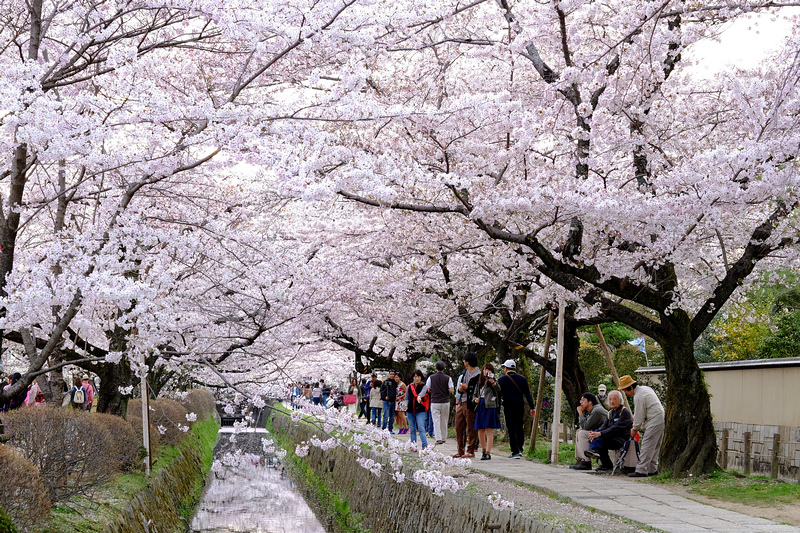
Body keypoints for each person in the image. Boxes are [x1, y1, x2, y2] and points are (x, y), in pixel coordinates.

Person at [619, 375, 665, 477]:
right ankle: (652, 469)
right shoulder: (645, 389)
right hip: (660, 418)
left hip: (653, 420)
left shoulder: (638, 396)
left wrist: (635, 428)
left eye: (625, 390)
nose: (626, 393)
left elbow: (639, 415)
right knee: (655, 446)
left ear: (630, 387)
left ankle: (641, 470)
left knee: (647, 445)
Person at [585, 390, 633, 471]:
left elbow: (615, 428)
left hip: (621, 439)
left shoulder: (624, 412)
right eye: (610, 399)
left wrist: (600, 433)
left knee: (601, 438)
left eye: (614, 399)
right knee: (598, 434)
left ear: (620, 401)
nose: (612, 401)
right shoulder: (610, 413)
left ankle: (593, 449)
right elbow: (604, 426)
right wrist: (595, 433)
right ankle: (605, 463)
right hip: (611, 437)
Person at [497, 359, 536, 459]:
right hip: (519, 405)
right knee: (519, 427)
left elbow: (498, 395)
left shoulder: (501, 380)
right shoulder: (522, 379)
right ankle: (520, 448)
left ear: (506, 368)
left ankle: (515, 451)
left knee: (511, 428)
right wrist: (532, 407)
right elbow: (528, 394)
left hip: (508, 405)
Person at [452, 353, 481, 458]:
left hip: (471, 404)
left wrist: (467, 388)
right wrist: (460, 390)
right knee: (459, 427)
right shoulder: (464, 373)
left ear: (467, 362)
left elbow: (479, 390)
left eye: (464, 361)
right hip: (462, 402)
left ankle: (471, 450)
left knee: (471, 428)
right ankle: (460, 450)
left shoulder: (479, 375)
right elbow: (459, 389)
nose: (464, 363)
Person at [570, 392, 608, 470]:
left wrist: (580, 413)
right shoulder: (591, 411)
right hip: (599, 432)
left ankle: (586, 462)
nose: (580, 402)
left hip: (606, 434)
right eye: (580, 400)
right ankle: (581, 458)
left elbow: (586, 426)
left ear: (590, 402)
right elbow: (584, 426)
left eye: (583, 400)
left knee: (582, 433)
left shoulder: (597, 410)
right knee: (579, 431)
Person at [473, 364, 502, 460]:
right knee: (480, 429)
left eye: (490, 370)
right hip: (480, 405)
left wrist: (492, 382)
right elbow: (474, 395)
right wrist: (475, 400)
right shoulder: (479, 382)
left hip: (490, 406)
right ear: (483, 370)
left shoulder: (493, 381)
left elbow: (499, 390)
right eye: (486, 369)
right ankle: (483, 450)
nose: (487, 371)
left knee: (488, 429)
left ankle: (488, 452)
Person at [421, 361, 453, 445]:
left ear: (436, 368)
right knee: (444, 420)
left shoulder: (431, 378)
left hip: (435, 401)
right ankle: (444, 437)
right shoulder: (448, 378)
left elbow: (428, 389)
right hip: (445, 401)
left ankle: (438, 438)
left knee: (436, 420)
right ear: (444, 368)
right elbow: (451, 390)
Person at [405, 370, 429, 451]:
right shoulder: (409, 387)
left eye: (418, 376)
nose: (417, 378)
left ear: (421, 377)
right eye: (415, 377)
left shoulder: (424, 386)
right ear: (413, 378)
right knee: (412, 429)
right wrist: (405, 404)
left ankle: (425, 446)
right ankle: (413, 446)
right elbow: (406, 398)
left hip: (420, 411)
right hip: (410, 411)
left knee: (421, 428)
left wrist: (419, 396)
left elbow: (422, 393)